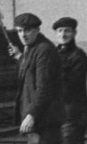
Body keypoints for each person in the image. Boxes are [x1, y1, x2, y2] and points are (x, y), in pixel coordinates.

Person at [13, 12, 64, 144]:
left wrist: (31, 115)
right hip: (38, 119)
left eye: (27, 30)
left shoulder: (44, 50)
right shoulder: (31, 48)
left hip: (45, 119)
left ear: (37, 30)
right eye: (19, 31)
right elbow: (30, 70)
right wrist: (19, 57)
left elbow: (44, 88)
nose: (23, 35)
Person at [52, 17, 87, 144]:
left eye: (67, 31)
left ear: (74, 33)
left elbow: (71, 86)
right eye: (60, 31)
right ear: (56, 33)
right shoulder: (53, 54)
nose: (63, 35)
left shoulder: (79, 56)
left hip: (73, 112)